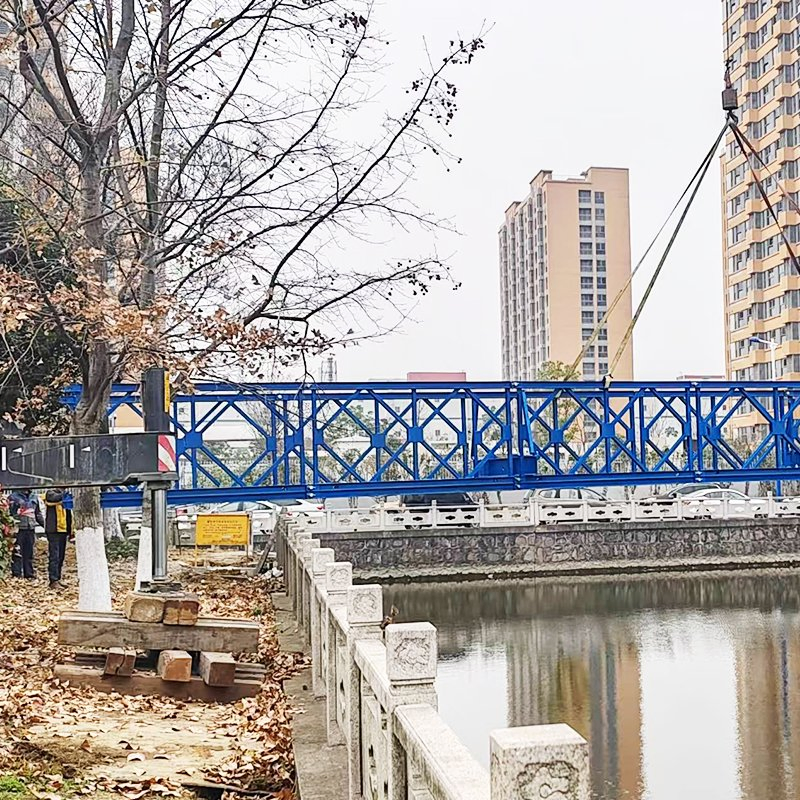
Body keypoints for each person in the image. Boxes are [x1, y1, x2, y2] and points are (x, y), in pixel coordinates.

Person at [9, 489, 44, 580]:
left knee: (29, 552)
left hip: (30, 528)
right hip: (18, 529)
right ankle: (17, 574)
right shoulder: (13, 497)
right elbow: (10, 514)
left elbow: (37, 513)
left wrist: (45, 525)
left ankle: (29, 573)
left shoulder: (34, 497)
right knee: (17, 552)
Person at [43, 488, 72, 589]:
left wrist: (70, 530)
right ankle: (53, 580)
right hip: (53, 530)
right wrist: (66, 494)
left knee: (61, 556)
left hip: (63, 530)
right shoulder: (50, 493)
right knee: (54, 556)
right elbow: (54, 498)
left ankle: (58, 578)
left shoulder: (65, 497)